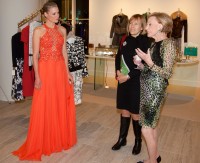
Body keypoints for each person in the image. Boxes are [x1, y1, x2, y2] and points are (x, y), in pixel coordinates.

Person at [12, 1, 77, 161]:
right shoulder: (38, 31)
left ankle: (58, 138)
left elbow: (64, 53)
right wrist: (38, 77)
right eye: (54, 13)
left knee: (58, 103)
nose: (57, 16)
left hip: (60, 70)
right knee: (45, 104)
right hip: (46, 71)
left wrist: (68, 72)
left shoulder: (62, 30)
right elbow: (35, 56)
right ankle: (45, 139)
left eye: (58, 13)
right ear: (45, 14)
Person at [134, 12, 176, 163]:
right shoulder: (154, 44)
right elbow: (152, 68)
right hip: (147, 89)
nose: (146, 27)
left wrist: (148, 61)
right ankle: (155, 157)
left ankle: (152, 161)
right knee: (151, 126)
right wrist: (141, 65)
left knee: (145, 128)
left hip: (155, 91)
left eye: (150, 24)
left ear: (160, 26)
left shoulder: (169, 44)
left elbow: (167, 73)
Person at [112, 14, 150, 155]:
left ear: (142, 27)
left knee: (135, 112)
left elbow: (143, 64)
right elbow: (118, 56)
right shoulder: (124, 39)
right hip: (123, 80)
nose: (132, 26)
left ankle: (138, 141)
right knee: (124, 109)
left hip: (135, 80)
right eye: (131, 23)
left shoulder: (145, 41)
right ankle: (122, 139)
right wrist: (118, 73)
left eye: (136, 24)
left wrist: (127, 76)